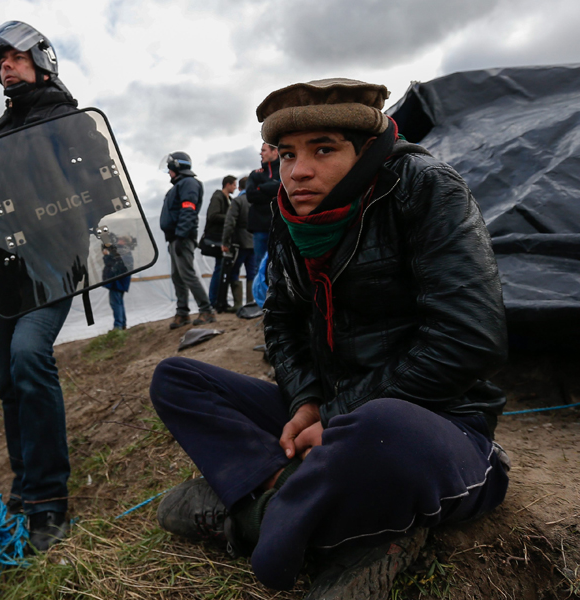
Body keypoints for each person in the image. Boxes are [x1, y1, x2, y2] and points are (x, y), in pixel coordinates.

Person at [149, 78, 510, 599]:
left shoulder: (425, 187)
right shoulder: (291, 212)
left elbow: (469, 339)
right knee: (176, 379)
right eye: (287, 154)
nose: (298, 171)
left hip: (430, 420)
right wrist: (306, 402)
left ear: (367, 151)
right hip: (331, 411)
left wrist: (338, 415)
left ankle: (251, 519)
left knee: (380, 427)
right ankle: (294, 496)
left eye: (323, 150)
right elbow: (281, 321)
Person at [0, 21, 79, 552]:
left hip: (53, 264)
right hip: (4, 272)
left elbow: (100, 192)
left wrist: (55, 224)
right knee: (8, 380)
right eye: (0, 60)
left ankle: (50, 501)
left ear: (41, 61)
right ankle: (26, 485)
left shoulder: (70, 120)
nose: (6, 65)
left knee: (30, 355)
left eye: (16, 57)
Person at [160, 152, 215, 329]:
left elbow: (188, 210)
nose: (168, 172)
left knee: (188, 275)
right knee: (178, 277)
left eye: (170, 168)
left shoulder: (189, 183)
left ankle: (206, 310)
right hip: (175, 238)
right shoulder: (179, 185)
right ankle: (182, 312)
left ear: (177, 167)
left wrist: (181, 235)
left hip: (182, 237)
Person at [221, 178, 255, 312]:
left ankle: (238, 304)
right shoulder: (256, 200)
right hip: (254, 242)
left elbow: (229, 223)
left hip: (239, 243)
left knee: (234, 272)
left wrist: (225, 242)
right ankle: (251, 303)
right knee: (252, 273)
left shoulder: (238, 201)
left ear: (240, 188)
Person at [204, 176, 238, 311]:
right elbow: (212, 215)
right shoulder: (218, 197)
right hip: (217, 238)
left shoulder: (230, 200)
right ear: (227, 185)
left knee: (222, 268)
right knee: (219, 268)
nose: (235, 187)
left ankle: (220, 300)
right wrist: (230, 218)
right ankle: (214, 300)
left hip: (224, 239)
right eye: (234, 185)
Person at [245, 143, 281, 263]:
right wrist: (273, 189)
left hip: (280, 226)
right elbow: (250, 195)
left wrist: (261, 187)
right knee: (259, 264)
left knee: (280, 263)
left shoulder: (284, 170)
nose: (261, 153)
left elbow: (284, 189)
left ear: (275, 151)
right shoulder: (255, 174)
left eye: (264, 150)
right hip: (259, 227)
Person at [102, 234, 134, 330]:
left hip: (117, 282)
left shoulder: (121, 252)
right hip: (121, 282)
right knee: (119, 302)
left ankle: (118, 326)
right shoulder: (126, 252)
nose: (118, 241)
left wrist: (106, 255)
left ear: (124, 242)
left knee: (115, 303)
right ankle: (122, 324)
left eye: (120, 240)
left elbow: (111, 264)